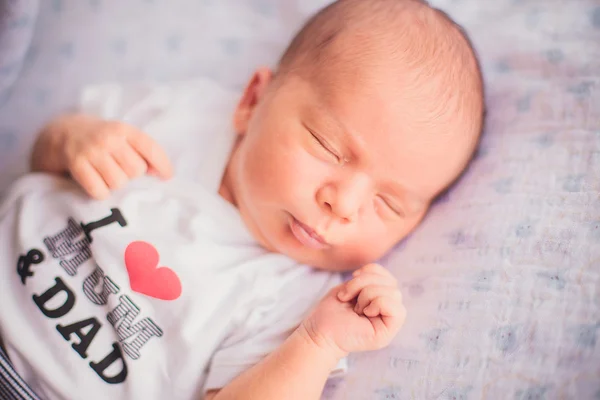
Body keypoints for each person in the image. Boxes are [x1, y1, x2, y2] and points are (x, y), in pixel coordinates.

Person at [0, 0, 484, 399]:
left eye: (390, 204)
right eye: (328, 147)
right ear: (253, 100)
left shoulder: (297, 304)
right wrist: (72, 139)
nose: (344, 205)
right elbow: (44, 155)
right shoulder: (183, 115)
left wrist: (319, 342)